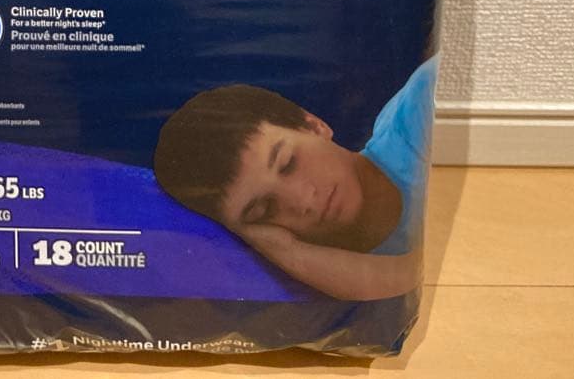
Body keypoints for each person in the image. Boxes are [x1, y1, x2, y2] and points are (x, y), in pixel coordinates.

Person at [153, 56, 438, 301]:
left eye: (289, 163)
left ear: (314, 125)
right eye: (265, 210)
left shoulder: (418, 108)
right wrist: (287, 251)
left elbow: (422, 273)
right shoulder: (305, 266)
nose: (303, 201)